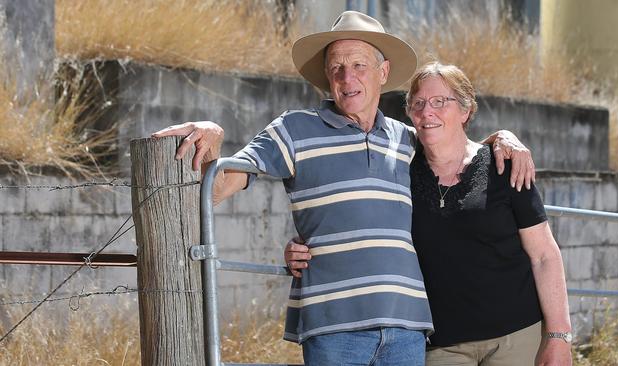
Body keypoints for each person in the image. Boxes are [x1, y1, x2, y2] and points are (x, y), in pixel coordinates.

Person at [153, 11, 536, 366]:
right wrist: (213, 138)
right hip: (332, 327)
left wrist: (503, 138)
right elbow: (217, 189)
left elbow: (455, 146)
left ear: (383, 72)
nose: (347, 78)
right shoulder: (293, 129)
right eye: (336, 67)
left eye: (358, 66)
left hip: (407, 326)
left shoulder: (408, 139)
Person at [286, 61, 572, 366]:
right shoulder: (397, 168)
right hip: (441, 346)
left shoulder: (505, 166)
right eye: (418, 103)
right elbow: (355, 216)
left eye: (440, 102)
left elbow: (544, 256)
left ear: (465, 111)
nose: (427, 112)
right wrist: (304, 247)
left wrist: (559, 337)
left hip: (517, 337)